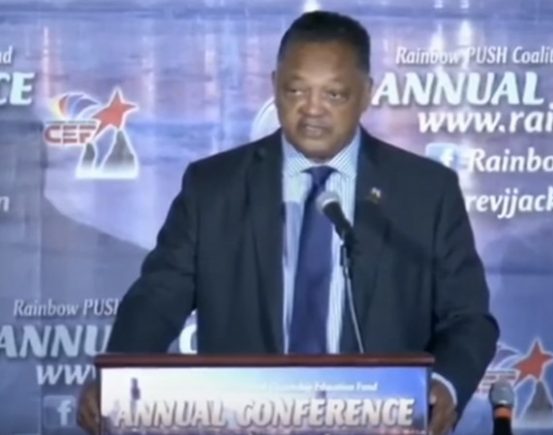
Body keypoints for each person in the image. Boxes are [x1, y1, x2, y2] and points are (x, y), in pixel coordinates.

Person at [77, 10, 499, 435]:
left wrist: (445, 384)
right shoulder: (213, 187)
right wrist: (116, 373)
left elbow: (468, 319)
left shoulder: (425, 192)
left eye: (334, 94)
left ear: (366, 94)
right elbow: (157, 298)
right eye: (296, 90)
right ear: (274, 84)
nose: (312, 110)